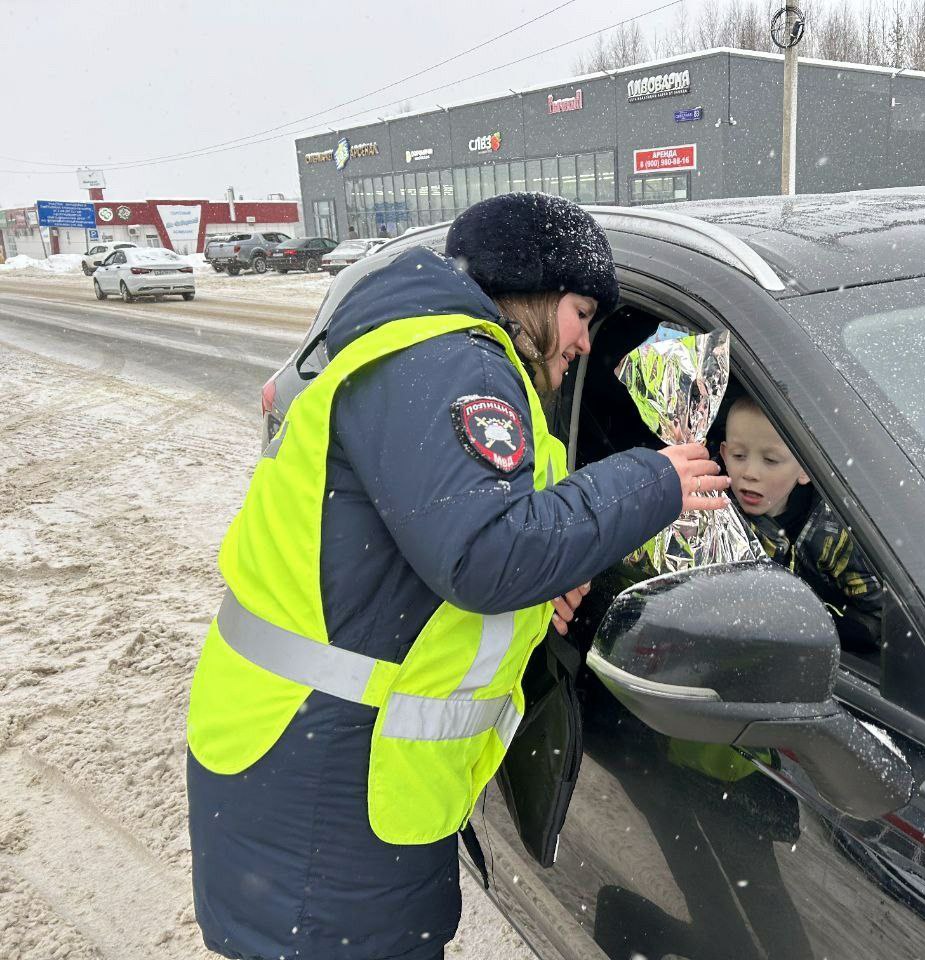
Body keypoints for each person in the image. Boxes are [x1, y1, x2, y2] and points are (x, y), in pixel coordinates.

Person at [184, 192, 730, 960]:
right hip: (320, 782)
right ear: (532, 287)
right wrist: (654, 481)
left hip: (335, 769)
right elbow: (484, 555)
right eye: (580, 311)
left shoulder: (442, 353)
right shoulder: (445, 360)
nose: (583, 339)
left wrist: (548, 579)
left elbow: (438, 549)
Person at [720, 395, 882, 653]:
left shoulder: (832, 529)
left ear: (806, 469)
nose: (750, 472)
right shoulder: (717, 515)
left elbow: (878, 610)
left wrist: (832, 627)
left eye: (771, 460)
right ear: (724, 455)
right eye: (739, 456)